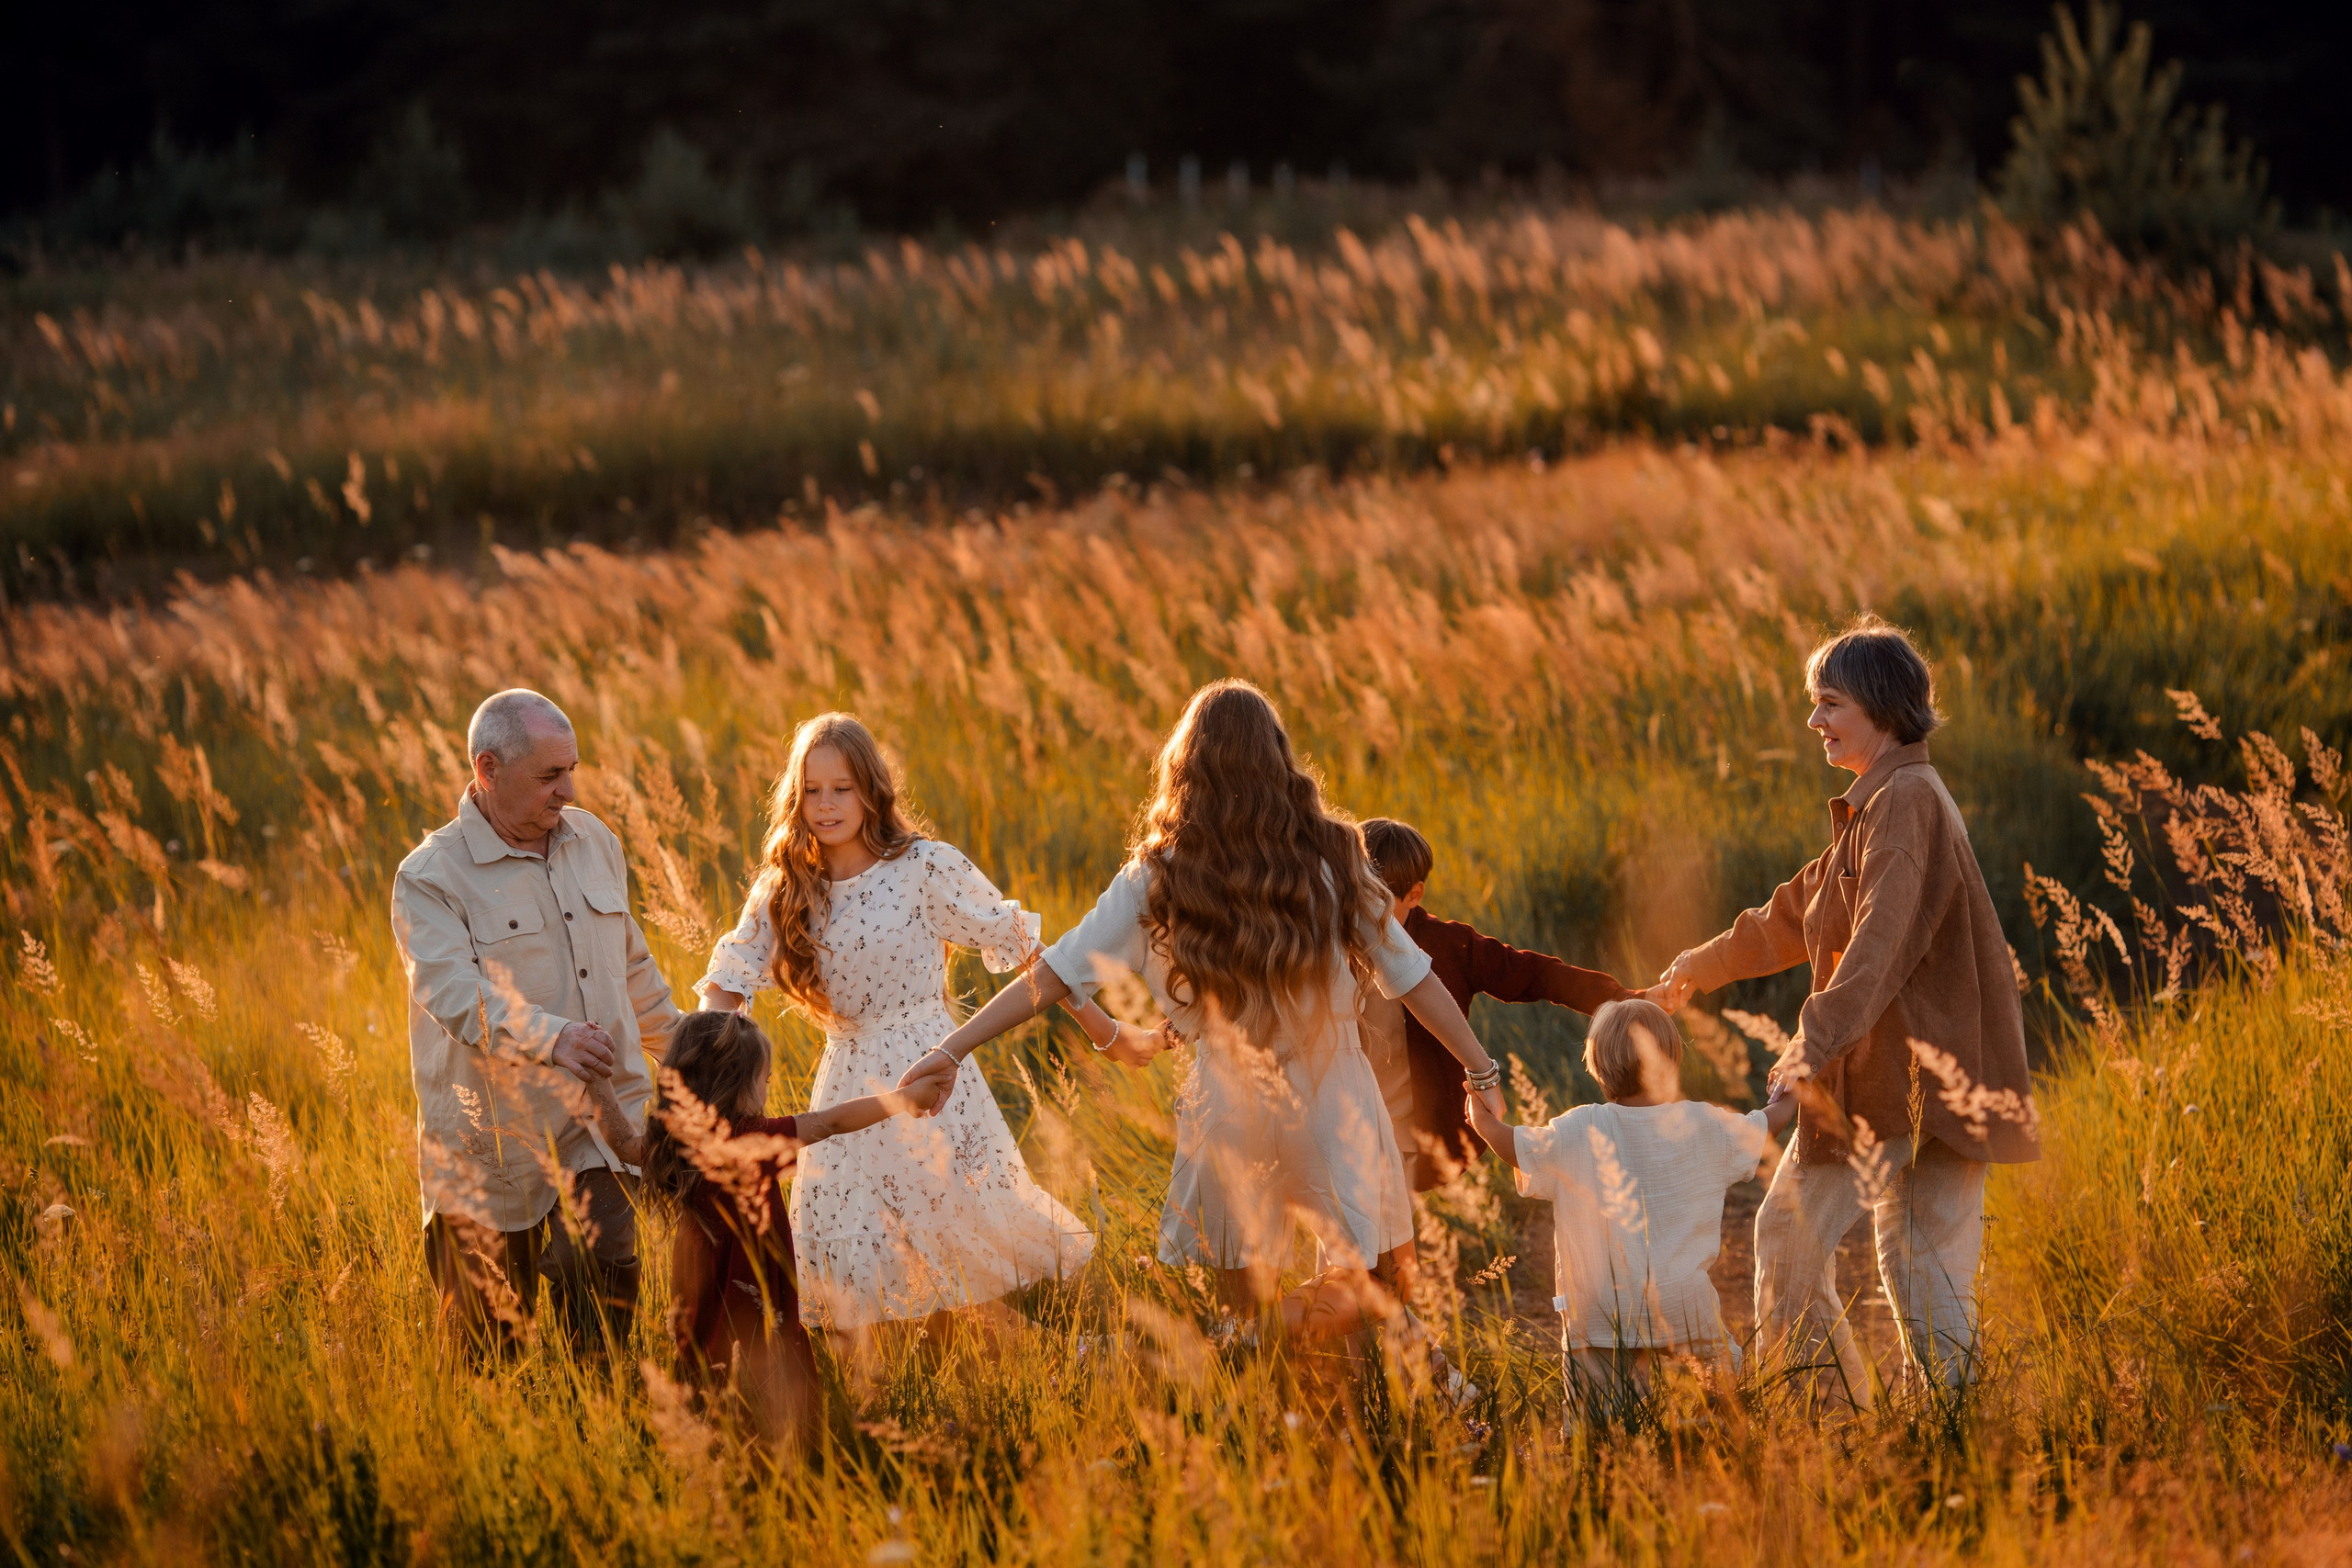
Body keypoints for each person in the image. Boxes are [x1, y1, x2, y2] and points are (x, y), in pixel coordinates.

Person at [897, 680, 1509, 1345]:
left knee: (1242, 1302)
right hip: (1335, 1097)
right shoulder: (1334, 854)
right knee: (1371, 1288)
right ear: (1280, 761)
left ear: (1184, 770)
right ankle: (1259, 1365)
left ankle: (1229, 1358)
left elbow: (1057, 971)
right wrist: (1481, 1073)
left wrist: (953, 1047)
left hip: (1231, 1107)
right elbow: (1412, 978)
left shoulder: (1159, 872)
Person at [1653, 614, 2039, 1403]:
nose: (1813, 720)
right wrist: (1698, 966)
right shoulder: (1888, 800)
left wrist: (1806, 1048)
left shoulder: (1904, 805)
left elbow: (1876, 947)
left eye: (1829, 703)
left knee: (1795, 1241)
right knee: (1921, 1271)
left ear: (1882, 707)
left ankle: (1823, 1422)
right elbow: (1797, 913)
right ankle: (1936, 1430)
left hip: (1895, 1075)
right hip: (1922, 1070)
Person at [696, 712, 1098, 1336]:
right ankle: (883, 1391)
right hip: (849, 1082)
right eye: (811, 789)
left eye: (842, 787)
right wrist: (702, 1085)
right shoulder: (784, 888)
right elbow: (727, 980)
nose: (825, 805)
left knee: (950, 1245)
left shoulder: (921, 867)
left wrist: (1106, 1028)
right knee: (859, 1259)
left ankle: (1016, 1357)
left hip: (932, 1066)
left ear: (871, 789)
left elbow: (1025, 946)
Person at [391, 687, 684, 1358]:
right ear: (488, 770)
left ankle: (602, 1417)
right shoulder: (429, 877)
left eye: (572, 769)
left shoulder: (595, 841)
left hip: (600, 1125)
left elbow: (631, 962)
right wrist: (552, 1036)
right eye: (550, 775)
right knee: (487, 1343)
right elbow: (453, 992)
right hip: (491, 1138)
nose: (568, 789)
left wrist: (685, 1053)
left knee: (607, 1288)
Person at [580, 1010, 949, 1455]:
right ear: (738, 1084)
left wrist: (597, 1081)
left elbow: (622, 1141)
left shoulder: (674, 1138)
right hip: (752, 1279)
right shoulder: (750, 1139)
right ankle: (777, 1441)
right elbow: (829, 1122)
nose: (768, 1089)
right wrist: (904, 1099)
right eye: (766, 1080)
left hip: (697, 1277)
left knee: (702, 1347)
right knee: (761, 1353)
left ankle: (707, 1435)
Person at [1465, 998, 1795, 1426]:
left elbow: (1515, 1147)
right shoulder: (1702, 1123)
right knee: (1728, 1420)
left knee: (1594, 1437)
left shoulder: (1577, 1128)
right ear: (1672, 1060)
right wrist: (1792, 1090)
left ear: (1598, 1069)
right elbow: (1765, 1125)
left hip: (1599, 1318)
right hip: (1687, 1315)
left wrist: (1481, 1119)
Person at [1358, 817, 1649, 1192]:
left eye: (1380, 904)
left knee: (1383, 1236)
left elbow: (1534, 974)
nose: (1367, 916)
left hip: (1417, 1134)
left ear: (1415, 895)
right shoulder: (1336, 942)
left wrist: (1624, 998)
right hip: (1351, 1124)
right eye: (1359, 898)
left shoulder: (1450, 946)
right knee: (1358, 1236)